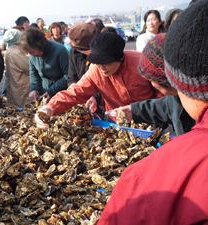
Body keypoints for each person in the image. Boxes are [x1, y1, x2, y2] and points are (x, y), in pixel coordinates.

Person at [97, 1, 208, 224]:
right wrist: (133, 111)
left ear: (174, 83)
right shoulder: (175, 100)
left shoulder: (147, 178)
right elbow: (166, 106)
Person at [35, 31, 156, 128]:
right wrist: (49, 108)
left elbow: (162, 94)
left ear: (119, 57)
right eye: (98, 62)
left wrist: (148, 112)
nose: (102, 68)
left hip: (150, 121)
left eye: (106, 62)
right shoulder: (95, 70)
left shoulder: (143, 63)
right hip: (117, 122)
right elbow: (75, 92)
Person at [109, 34, 195, 136]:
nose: (150, 83)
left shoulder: (198, 109)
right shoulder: (178, 95)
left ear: (168, 82)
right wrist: (134, 111)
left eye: (151, 79)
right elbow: (166, 106)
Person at [19, 28, 69, 101]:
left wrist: (51, 91)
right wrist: (34, 89)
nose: (31, 54)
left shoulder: (60, 50)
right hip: (44, 94)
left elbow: (68, 75)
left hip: (62, 94)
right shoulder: (32, 56)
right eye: (29, 53)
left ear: (39, 44)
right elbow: (34, 74)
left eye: (32, 51)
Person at [4, 28, 30, 107]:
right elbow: (29, 67)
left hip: (15, 88)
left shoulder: (10, 50)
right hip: (20, 89)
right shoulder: (16, 52)